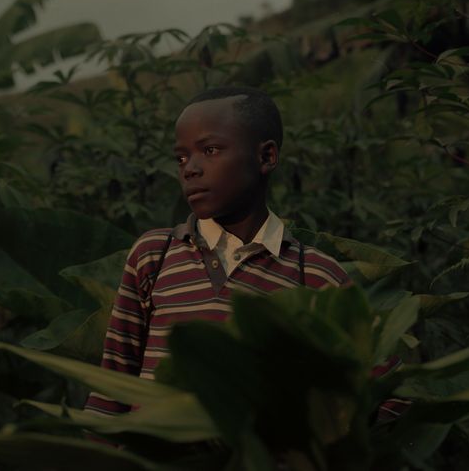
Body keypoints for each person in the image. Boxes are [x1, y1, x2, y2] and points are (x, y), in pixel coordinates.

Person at [85, 86, 350, 415]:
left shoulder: (314, 274)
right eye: (181, 158)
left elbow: (378, 394)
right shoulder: (154, 256)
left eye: (209, 150)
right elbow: (113, 383)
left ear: (266, 157)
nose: (189, 169)